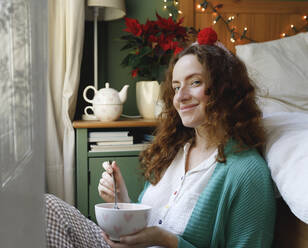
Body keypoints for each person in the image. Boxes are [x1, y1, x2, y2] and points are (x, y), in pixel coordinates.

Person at [97, 27, 276, 247]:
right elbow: (145, 232)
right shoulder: (172, 149)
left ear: (225, 88)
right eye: (176, 86)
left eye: (195, 82)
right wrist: (122, 201)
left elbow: (156, 236)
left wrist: (165, 239)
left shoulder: (247, 173)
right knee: (50, 208)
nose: (180, 97)